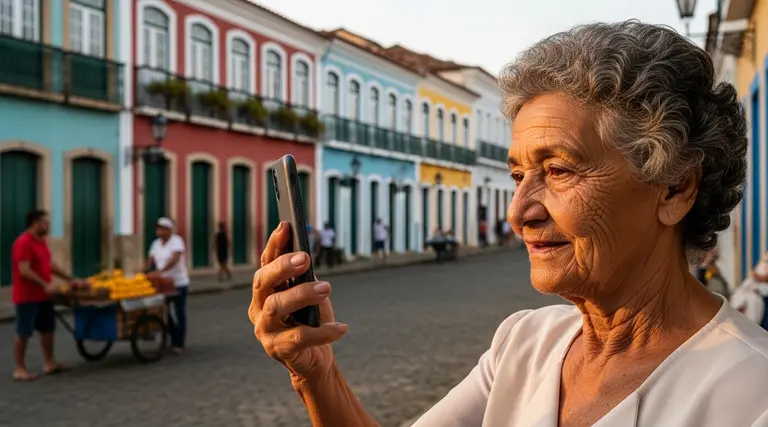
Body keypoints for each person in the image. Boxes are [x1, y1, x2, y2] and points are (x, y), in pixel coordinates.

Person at [247, 21, 768, 426]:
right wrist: (317, 374)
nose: (518, 212)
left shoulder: (749, 391)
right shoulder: (525, 343)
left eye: (559, 170)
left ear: (676, 186)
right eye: (518, 174)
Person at [12, 209, 81, 381]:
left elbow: (50, 265)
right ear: (35, 223)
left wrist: (70, 279)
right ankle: (20, 368)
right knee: (24, 332)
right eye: (45, 222)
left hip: (43, 296)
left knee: (48, 329)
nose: (48, 226)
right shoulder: (23, 243)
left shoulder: (41, 242)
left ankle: (49, 362)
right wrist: (45, 284)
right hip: (27, 296)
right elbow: (24, 270)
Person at [145, 217, 189, 354]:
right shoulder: (156, 244)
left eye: (162, 229)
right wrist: (141, 272)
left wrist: (160, 271)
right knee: (164, 313)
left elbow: (174, 260)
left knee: (178, 312)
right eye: (158, 229)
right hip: (162, 284)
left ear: (169, 230)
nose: (159, 231)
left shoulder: (176, 241)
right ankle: (169, 338)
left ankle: (179, 343)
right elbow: (150, 261)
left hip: (178, 283)